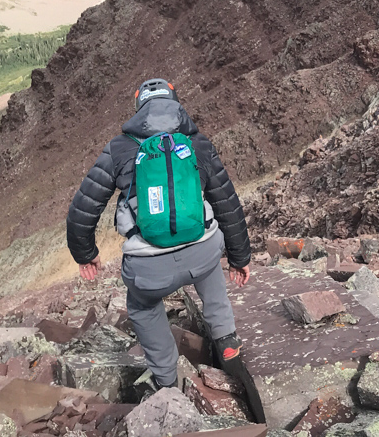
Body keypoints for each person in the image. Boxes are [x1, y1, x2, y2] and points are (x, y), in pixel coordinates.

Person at [66, 77, 257, 408]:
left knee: (141, 307)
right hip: (202, 254)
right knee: (211, 273)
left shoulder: (119, 148)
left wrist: (86, 254)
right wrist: (239, 258)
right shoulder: (198, 144)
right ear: (176, 105)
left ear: (139, 108)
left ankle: (167, 381)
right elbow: (228, 205)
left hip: (149, 268)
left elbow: (82, 211)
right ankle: (226, 341)